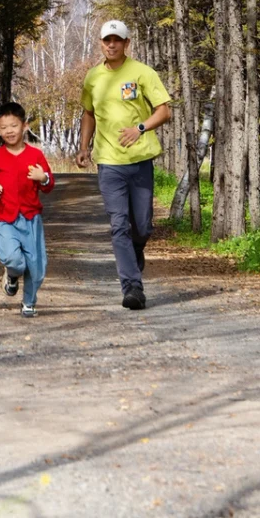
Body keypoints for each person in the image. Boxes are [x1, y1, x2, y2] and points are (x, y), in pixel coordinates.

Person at [77, 20, 171, 310]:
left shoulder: (142, 73)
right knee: (119, 225)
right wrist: (83, 147)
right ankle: (132, 286)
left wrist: (140, 128)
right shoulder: (93, 77)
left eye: (117, 40)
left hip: (141, 160)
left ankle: (136, 249)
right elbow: (88, 113)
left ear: (127, 43)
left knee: (141, 226)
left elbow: (164, 111)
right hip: (109, 163)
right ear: (101, 43)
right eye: (107, 40)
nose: (112, 45)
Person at [0, 100, 55, 319]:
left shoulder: (35, 155)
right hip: (4, 217)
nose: (9, 131)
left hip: (31, 218)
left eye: (14, 125)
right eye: (4, 127)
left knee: (36, 265)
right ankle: (12, 275)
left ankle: (29, 302)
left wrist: (43, 178)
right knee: (14, 260)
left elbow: (49, 185)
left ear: (24, 125)